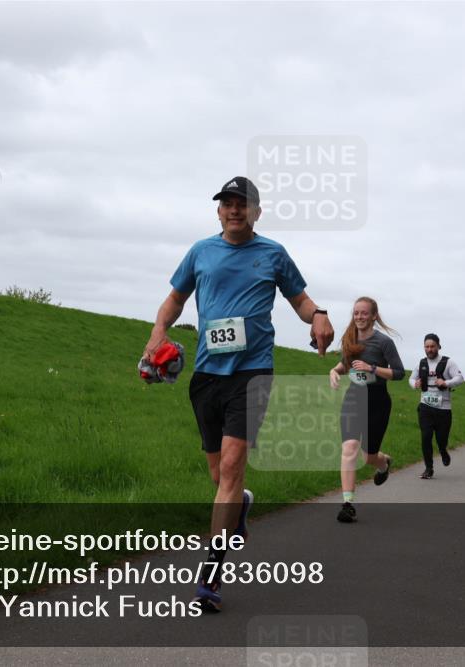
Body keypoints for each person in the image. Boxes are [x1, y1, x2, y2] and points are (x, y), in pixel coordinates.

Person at [143, 176, 334, 612]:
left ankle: (209, 576)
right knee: (221, 478)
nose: (234, 210)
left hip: (253, 374)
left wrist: (318, 315)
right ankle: (242, 503)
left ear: (256, 211)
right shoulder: (200, 252)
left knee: (231, 467)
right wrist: (158, 331)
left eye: (242, 204)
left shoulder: (273, 254)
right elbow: (175, 299)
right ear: (218, 211)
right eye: (227, 203)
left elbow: (300, 300)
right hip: (208, 374)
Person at [329, 297, 404, 522]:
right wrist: (334, 370)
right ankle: (347, 504)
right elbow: (346, 364)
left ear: (373, 316)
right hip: (354, 396)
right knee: (350, 448)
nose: (359, 317)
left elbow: (399, 373)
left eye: (363, 313)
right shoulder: (349, 339)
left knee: (368, 456)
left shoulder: (384, 342)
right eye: (356, 313)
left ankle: (383, 463)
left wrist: (372, 367)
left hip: (378, 400)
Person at [409, 334, 463, 478]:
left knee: (441, 440)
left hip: (443, 410)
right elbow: (411, 378)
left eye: (432, 346)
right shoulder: (421, 363)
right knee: (426, 437)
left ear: (439, 346)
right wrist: (415, 384)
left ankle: (443, 450)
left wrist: (446, 383)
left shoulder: (448, 362)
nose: (430, 349)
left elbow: (460, 378)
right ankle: (429, 468)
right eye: (427, 347)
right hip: (425, 407)